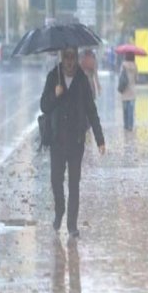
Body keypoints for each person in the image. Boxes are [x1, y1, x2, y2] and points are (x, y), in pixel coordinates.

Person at [40, 47, 106, 238]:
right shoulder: (54, 77)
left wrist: (100, 139)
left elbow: (91, 110)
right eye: (66, 57)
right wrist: (55, 93)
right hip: (57, 141)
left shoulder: (82, 80)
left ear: (76, 58)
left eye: (72, 57)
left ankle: (72, 224)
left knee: (74, 184)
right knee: (56, 180)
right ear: (62, 57)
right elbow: (44, 105)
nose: (69, 61)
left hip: (76, 141)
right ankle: (59, 209)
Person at [119, 52, 138, 131]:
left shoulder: (123, 65)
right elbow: (136, 78)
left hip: (125, 90)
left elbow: (121, 76)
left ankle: (126, 125)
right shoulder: (135, 65)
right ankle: (130, 125)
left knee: (125, 110)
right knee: (131, 109)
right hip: (132, 90)